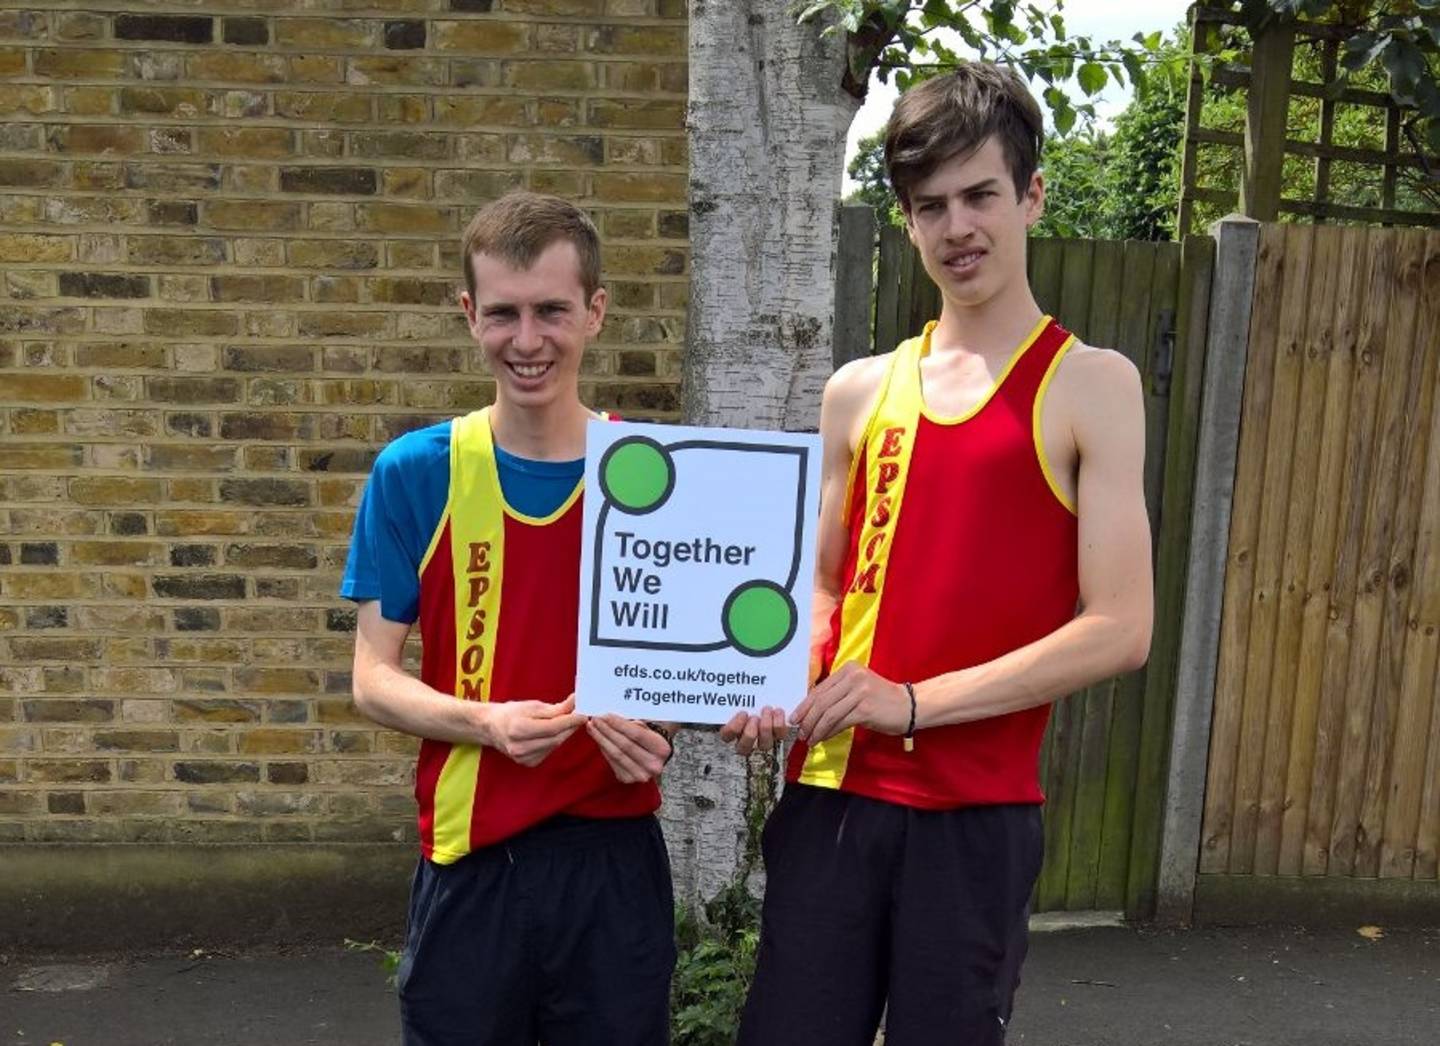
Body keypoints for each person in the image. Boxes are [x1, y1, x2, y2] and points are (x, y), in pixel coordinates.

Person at [722, 64, 1154, 1045]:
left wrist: (912, 701)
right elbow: (824, 584)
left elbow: (1121, 628)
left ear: (1032, 195)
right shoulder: (859, 390)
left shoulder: (1091, 385)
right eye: (929, 206)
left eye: (979, 195)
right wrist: (767, 676)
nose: (957, 227)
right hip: (830, 796)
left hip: (976, 815)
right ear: (906, 220)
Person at [341, 191, 678, 1046]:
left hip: (614, 863)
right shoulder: (415, 471)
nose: (527, 341)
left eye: (552, 311)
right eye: (503, 314)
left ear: (595, 312)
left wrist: (664, 722)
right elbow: (372, 680)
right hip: (473, 863)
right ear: (469, 315)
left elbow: (690, 675)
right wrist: (483, 722)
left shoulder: (657, 477)